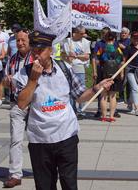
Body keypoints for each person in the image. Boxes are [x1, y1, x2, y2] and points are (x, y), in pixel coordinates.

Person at [14, 31, 113, 190]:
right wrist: (33, 80)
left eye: (41, 50)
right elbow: (21, 103)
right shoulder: (24, 73)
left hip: (66, 136)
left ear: (51, 50)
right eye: (34, 50)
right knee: (44, 185)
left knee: (69, 183)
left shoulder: (64, 68)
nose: (37, 54)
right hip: (40, 140)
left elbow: (80, 96)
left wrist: (97, 88)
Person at [3, 29, 33, 188]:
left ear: (29, 41)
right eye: (17, 40)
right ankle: (15, 174)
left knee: (39, 141)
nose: (20, 43)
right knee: (15, 139)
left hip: (35, 106)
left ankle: (45, 169)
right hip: (17, 105)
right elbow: (4, 79)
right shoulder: (12, 59)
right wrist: (6, 81)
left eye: (23, 40)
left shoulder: (36, 57)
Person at [92, 27, 121, 118]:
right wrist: (94, 71)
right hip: (106, 71)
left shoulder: (113, 44)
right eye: (104, 33)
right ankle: (103, 112)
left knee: (109, 94)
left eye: (107, 33)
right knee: (105, 93)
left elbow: (120, 59)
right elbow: (94, 58)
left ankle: (109, 114)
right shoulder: (100, 44)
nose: (105, 35)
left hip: (109, 71)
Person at [62, 26, 91, 117]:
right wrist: (67, 56)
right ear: (76, 32)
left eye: (84, 33)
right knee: (70, 90)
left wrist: (76, 56)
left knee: (81, 90)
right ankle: (72, 109)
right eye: (82, 33)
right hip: (70, 67)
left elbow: (86, 56)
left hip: (80, 68)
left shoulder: (85, 42)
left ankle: (81, 110)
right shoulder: (67, 41)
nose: (84, 35)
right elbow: (63, 55)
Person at [118, 27, 131, 103]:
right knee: (120, 80)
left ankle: (129, 98)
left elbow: (131, 50)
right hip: (119, 63)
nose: (123, 34)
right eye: (122, 33)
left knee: (128, 81)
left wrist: (124, 47)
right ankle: (121, 97)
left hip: (128, 63)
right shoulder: (117, 41)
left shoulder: (129, 42)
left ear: (128, 34)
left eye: (125, 33)